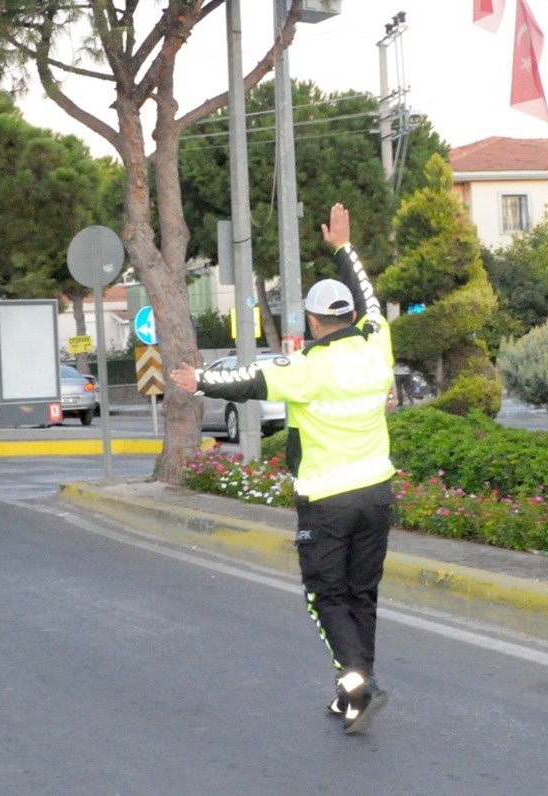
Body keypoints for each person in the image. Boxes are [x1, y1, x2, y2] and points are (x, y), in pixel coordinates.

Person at [170, 204, 395, 735]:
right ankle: (353, 692)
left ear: (314, 322)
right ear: (351, 316)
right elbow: (369, 296)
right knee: (361, 594)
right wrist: (344, 249)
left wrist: (198, 382)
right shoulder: (377, 344)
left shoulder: (308, 368)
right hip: (377, 494)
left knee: (325, 596)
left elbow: (250, 380)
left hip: (326, 500)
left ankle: (357, 681)